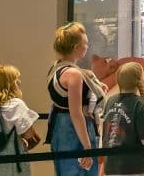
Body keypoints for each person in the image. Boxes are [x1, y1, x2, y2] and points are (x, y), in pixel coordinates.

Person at [47, 22, 106, 176]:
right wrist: (87, 146)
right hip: (74, 129)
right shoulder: (74, 74)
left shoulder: (56, 68)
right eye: (85, 43)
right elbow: (76, 113)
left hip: (60, 127)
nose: (87, 46)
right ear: (76, 47)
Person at [0, 65, 41, 176]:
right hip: (11, 161)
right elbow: (29, 136)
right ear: (10, 83)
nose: (19, 82)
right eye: (16, 79)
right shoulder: (16, 104)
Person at [102, 62, 144, 176]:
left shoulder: (110, 101)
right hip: (133, 166)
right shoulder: (140, 104)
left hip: (111, 165)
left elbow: (106, 133)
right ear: (140, 80)